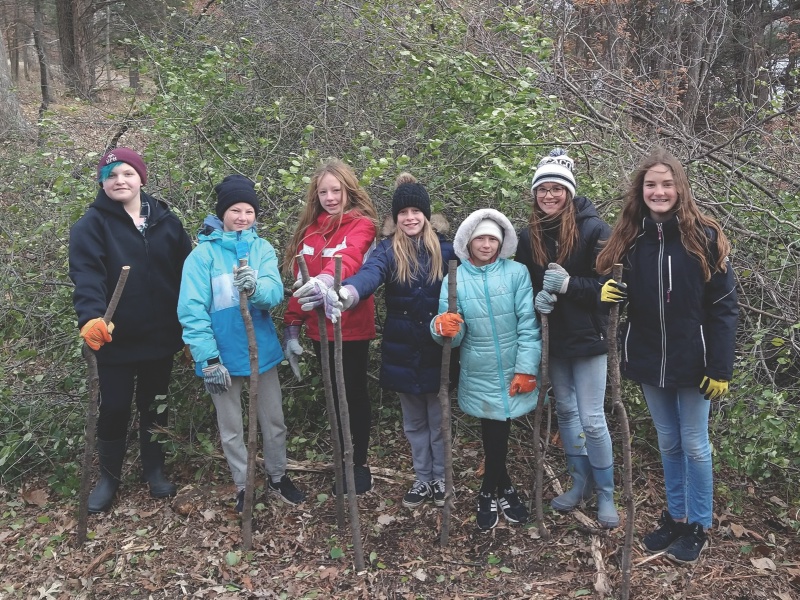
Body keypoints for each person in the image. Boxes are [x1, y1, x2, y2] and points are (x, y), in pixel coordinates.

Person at [596, 147, 738, 563]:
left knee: (696, 444)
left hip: (695, 362)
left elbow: (725, 307)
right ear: (640, 190)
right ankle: (675, 517)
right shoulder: (629, 238)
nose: (659, 191)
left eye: (667, 184)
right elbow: (609, 285)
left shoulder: (704, 238)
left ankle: (699, 524)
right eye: (651, 184)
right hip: (646, 358)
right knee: (669, 442)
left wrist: (720, 366)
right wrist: (605, 293)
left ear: (680, 188)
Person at [305, 173, 459, 508]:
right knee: (414, 423)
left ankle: (440, 479)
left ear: (426, 215)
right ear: (396, 218)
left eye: (416, 211)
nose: (410, 218)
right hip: (403, 351)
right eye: (403, 213)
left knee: (438, 420)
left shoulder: (447, 252)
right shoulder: (388, 251)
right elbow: (369, 273)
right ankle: (422, 479)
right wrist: (347, 291)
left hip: (438, 349)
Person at [69, 147, 192, 513]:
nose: (119, 181)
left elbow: (188, 275)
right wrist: (91, 317)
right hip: (114, 340)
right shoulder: (90, 225)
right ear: (102, 183)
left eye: (126, 173)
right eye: (111, 175)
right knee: (116, 407)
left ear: (141, 177)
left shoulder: (167, 222)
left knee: (155, 404)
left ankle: (154, 470)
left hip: (161, 336)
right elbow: (86, 276)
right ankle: (109, 478)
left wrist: (191, 329)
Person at [178, 174, 305, 511]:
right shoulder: (201, 257)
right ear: (222, 213)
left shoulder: (262, 248)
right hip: (220, 357)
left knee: (274, 420)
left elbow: (274, 295)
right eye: (235, 210)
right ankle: (243, 486)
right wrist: (207, 359)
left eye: (249, 211)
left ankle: (278, 477)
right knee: (232, 427)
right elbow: (191, 310)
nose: (242, 217)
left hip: (260, 351)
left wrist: (256, 288)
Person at [515, 148, 619, 528]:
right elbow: (525, 284)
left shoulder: (595, 229)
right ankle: (580, 484)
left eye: (557, 189)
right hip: (555, 339)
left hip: (590, 338)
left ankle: (606, 493)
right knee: (566, 413)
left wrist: (571, 285)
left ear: (570, 192)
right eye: (543, 189)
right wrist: (537, 299)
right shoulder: (530, 236)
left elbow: (613, 286)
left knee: (592, 419)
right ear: (535, 194)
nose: (550, 196)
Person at [431, 208, 541, 531]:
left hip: (512, 369)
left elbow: (528, 325)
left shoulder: (517, 273)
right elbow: (452, 332)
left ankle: (488, 490)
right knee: (494, 430)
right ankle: (501, 489)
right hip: (478, 371)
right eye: (481, 238)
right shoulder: (456, 277)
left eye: (493, 238)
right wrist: (442, 327)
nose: (487, 244)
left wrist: (526, 368)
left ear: (501, 242)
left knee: (498, 431)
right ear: (469, 241)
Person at [283, 159, 379, 495]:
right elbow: (300, 282)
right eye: (323, 191)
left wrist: (327, 279)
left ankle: (358, 463)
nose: (330, 197)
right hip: (319, 329)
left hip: (351, 326)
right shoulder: (310, 232)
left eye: (336, 190)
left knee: (352, 392)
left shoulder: (362, 225)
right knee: (333, 395)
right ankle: (341, 456)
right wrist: (292, 327)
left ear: (348, 190)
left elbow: (352, 257)